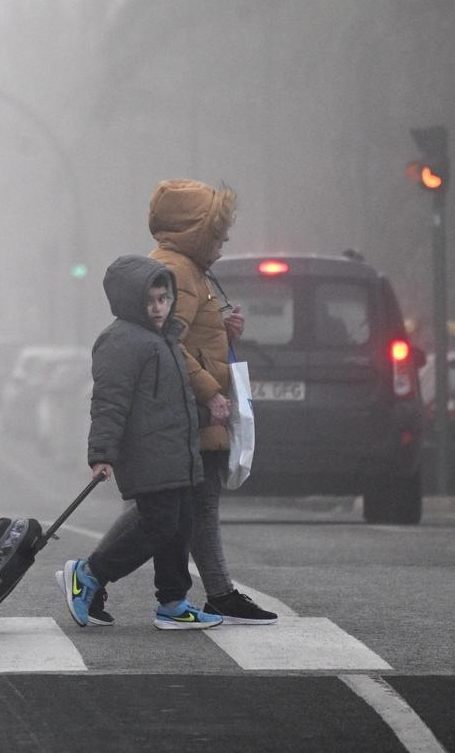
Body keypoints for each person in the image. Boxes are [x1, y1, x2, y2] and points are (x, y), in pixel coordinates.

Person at [89, 178, 278, 626]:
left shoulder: (187, 269)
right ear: (196, 230)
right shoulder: (179, 272)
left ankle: (199, 594)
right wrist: (210, 392)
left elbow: (181, 337)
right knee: (183, 510)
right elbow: (168, 345)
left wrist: (222, 331)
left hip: (184, 410)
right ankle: (98, 577)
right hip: (186, 413)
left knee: (175, 511)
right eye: (218, 229)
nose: (225, 239)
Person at [60, 255, 221, 630]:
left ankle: (173, 603)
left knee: (179, 526)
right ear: (131, 301)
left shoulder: (162, 340)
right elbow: (109, 402)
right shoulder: (120, 341)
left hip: (175, 455)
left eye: (163, 298)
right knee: (159, 526)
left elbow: (168, 404)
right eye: (150, 300)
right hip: (148, 456)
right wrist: (101, 454)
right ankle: (90, 574)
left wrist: (206, 417)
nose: (159, 307)